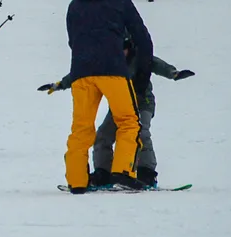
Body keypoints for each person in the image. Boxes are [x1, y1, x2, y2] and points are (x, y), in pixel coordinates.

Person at [50, 36, 194, 189]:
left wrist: (174, 73)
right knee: (103, 136)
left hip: (142, 103)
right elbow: (83, 72)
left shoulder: (140, 57)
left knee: (141, 132)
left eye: (123, 48)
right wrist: (60, 84)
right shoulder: (108, 60)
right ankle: (103, 173)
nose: (121, 52)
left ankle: (146, 174)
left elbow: (157, 64)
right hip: (120, 106)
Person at [62, 0, 153, 193]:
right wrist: (142, 76)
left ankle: (77, 181)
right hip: (113, 71)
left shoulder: (75, 4)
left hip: (81, 73)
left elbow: (72, 41)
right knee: (128, 122)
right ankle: (123, 172)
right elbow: (143, 40)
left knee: (81, 128)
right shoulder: (121, 2)